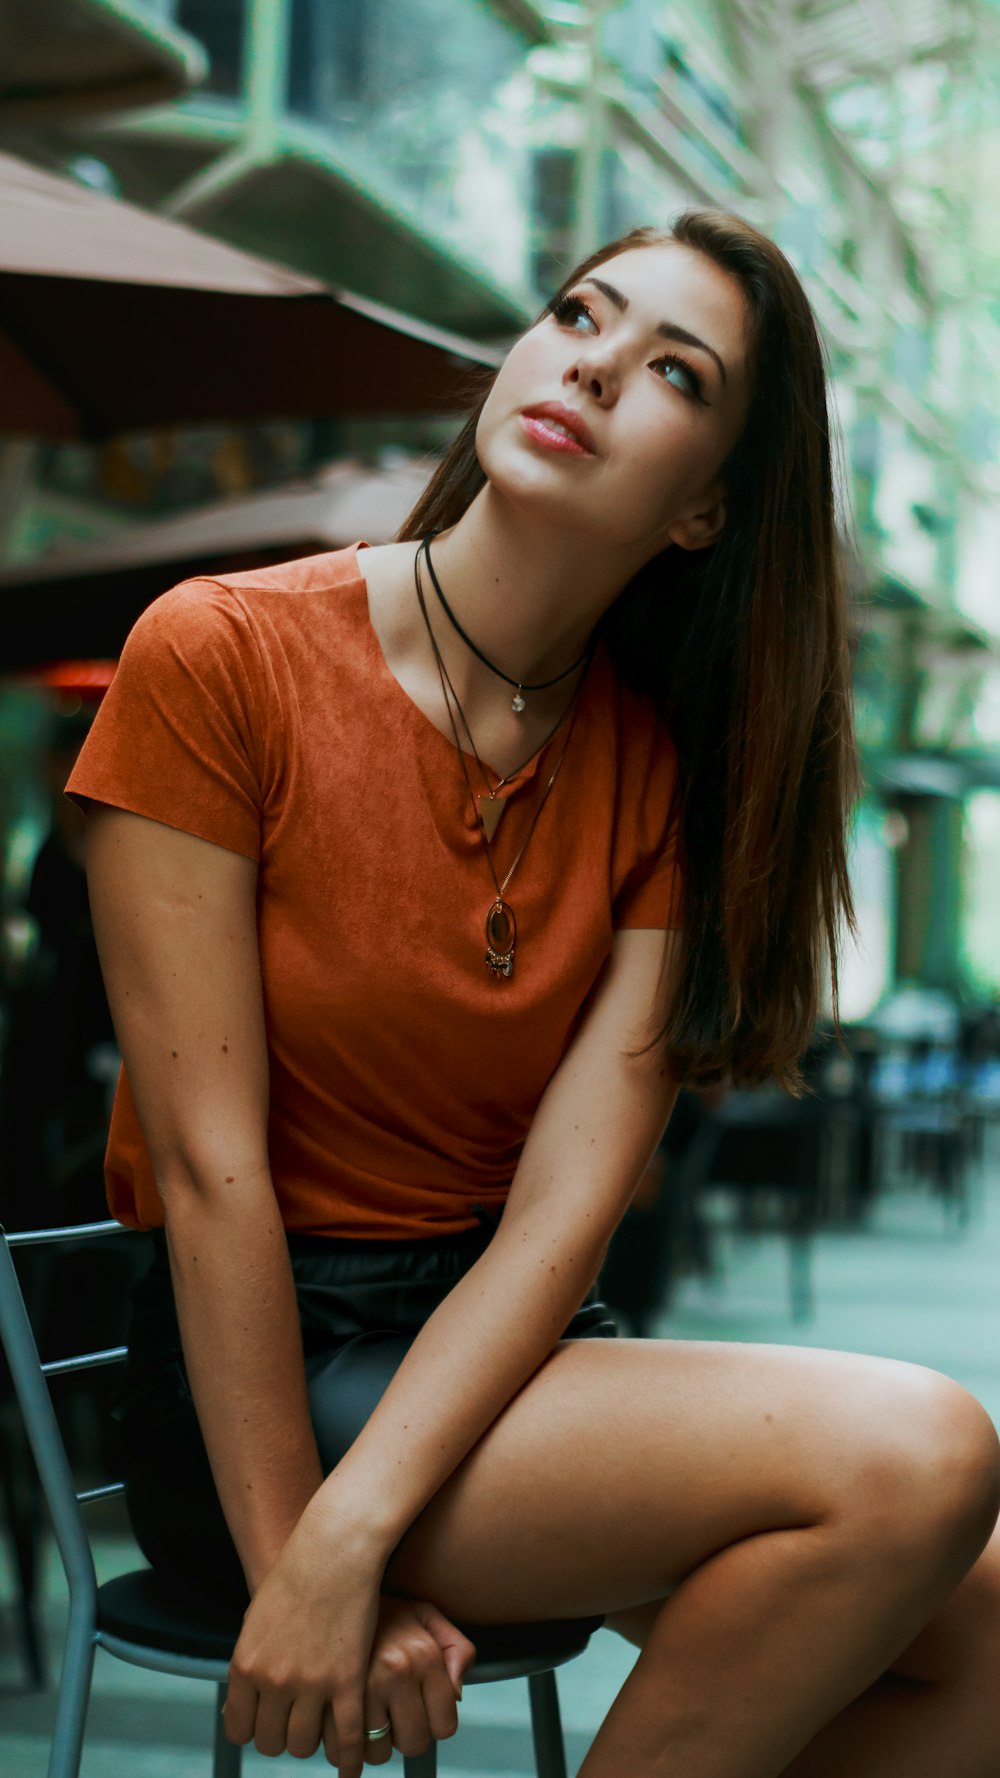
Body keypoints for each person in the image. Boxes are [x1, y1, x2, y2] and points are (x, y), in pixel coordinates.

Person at [68, 212, 1000, 1778]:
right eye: (581, 311)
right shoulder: (219, 654)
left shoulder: (659, 763)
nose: (591, 362)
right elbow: (214, 1172)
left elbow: (568, 1211)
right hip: (264, 1381)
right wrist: (310, 1544)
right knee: (924, 1451)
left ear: (708, 507)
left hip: (504, 1358)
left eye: (672, 371)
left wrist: (368, 1528)